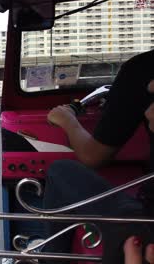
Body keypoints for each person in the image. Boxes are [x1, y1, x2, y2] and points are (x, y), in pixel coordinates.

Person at [42, 49, 154, 264]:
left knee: (60, 170)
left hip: (146, 223)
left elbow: (93, 156)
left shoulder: (143, 69)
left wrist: (67, 119)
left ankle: (49, 257)